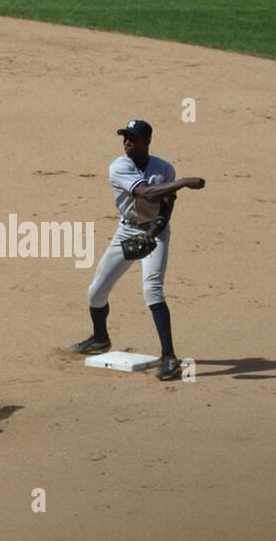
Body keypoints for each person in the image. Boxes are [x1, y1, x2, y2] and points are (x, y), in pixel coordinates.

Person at [68, 119, 206, 380]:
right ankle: (99, 339)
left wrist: (154, 233)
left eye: (133, 138)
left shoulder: (164, 168)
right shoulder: (120, 166)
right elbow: (148, 193)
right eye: (125, 137)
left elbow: (165, 204)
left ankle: (169, 357)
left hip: (156, 231)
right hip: (128, 229)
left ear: (147, 142)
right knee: (96, 292)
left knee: (152, 288)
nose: (127, 142)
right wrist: (184, 182)